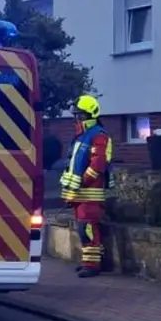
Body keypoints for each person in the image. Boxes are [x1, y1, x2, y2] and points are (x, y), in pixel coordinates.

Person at [59, 94, 114, 278]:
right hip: (80, 192)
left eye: (81, 115)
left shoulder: (98, 135)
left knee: (88, 228)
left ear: (90, 115)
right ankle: (87, 262)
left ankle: (92, 265)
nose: (77, 118)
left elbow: (98, 163)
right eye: (76, 115)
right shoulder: (81, 135)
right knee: (84, 229)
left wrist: (84, 181)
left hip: (90, 192)